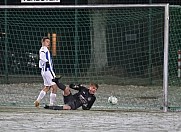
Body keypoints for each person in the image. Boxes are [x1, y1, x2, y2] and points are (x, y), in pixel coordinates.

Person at [34, 37, 58, 108]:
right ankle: (51, 104)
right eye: (47, 41)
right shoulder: (43, 49)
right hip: (47, 71)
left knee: (47, 87)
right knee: (54, 87)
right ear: (43, 42)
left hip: (44, 71)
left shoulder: (44, 49)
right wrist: (46, 62)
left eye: (49, 42)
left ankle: (37, 101)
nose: (48, 43)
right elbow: (41, 57)